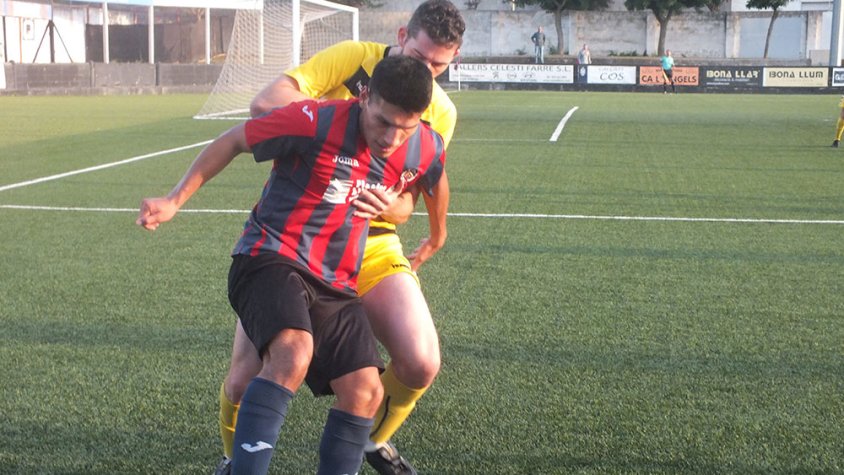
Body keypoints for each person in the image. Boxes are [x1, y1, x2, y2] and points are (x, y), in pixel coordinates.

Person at [136, 55, 447, 475]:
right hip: (270, 256)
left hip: (335, 280)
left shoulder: (423, 143)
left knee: (365, 391)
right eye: (383, 122)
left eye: (405, 127)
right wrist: (174, 200)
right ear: (364, 96)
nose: (391, 138)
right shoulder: (312, 120)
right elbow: (234, 140)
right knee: (292, 355)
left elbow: (432, 178)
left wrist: (425, 225)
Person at [218, 2, 465, 474]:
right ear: (400, 36)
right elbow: (265, 105)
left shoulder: (439, 110)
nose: (426, 73)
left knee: (420, 361)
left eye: (439, 65)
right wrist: (334, 141)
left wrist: (395, 208)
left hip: (372, 242)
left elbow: (411, 195)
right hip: (296, 232)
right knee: (244, 381)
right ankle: (233, 460)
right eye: (419, 56)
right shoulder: (352, 58)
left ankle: (368, 441)